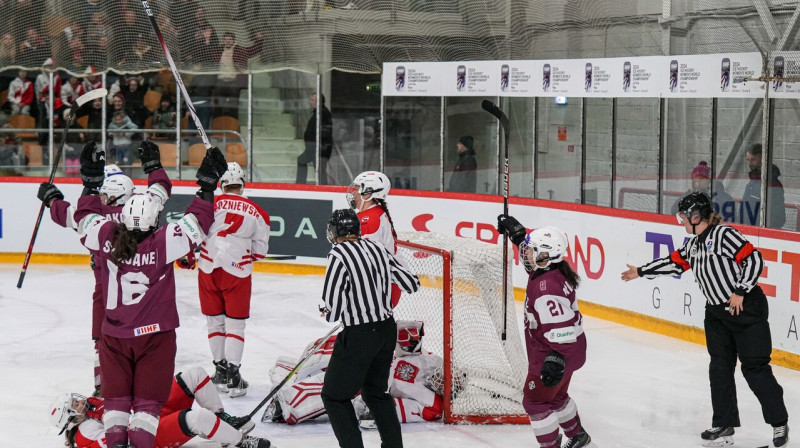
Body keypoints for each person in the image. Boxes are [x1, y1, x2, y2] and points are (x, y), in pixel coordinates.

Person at [73, 142, 228, 448]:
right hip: (154, 338)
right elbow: (199, 221)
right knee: (146, 410)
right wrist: (208, 183)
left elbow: (84, 219)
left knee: (115, 406)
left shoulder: (106, 236)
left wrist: (90, 183)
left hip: (114, 338)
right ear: (154, 221)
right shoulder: (163, 242)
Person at [620, 192, 789, 448]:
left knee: (755, 370)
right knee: (719, 369)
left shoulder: (724, 235)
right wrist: (641, 271)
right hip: (717, 315)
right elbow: (674, 263)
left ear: (697, 216)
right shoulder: (694, 244)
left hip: (746, 310)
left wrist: (741, 290)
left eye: (683, 218)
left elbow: (753, 258)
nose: (681, 223)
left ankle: (779, 424)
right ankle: (724, 425)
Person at [38, 160, 151, 396]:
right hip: (144, 291)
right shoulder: (144, 211)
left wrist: (51, 199)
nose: (102, 199)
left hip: (107, 287)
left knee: (103, 340)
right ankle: (140, 384)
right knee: (143, 339)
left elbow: (73, 216)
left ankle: (104, 387)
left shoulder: (100, 216)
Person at [319, 208, 421, 448]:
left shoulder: (338, 254)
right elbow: (411, 283)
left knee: (334, 397)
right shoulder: (378, 248)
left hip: (358, 336)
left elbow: (332, 311)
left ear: (334, 232)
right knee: (376, 393)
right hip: (386, 331)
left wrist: (325, 310)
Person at [496, 216, 593, 448]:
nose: (525, 254)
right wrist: (517, 233)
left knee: (535, 403)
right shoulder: (551, 269)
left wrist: (555, 361)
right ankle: (580, 439)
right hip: (571, 351)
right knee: (557, 397)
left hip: (555, 353)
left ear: (544, 256)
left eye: (531, 251)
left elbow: (562, 328)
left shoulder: (546, 287)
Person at [264, 320, 444, 427]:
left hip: (368, 381)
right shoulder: (432, 360)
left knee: (336, 386)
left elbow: (401, 409)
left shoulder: (433, 404)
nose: (440, 380)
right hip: (369, 358)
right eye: (442, 377)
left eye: (444, 382)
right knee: (319, 360)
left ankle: (288, 402)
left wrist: (374, 409)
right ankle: (286, 374)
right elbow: (408, 335)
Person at [193, 161, 270, 398]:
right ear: (242, 184)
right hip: (238, 271)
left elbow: (194, 232)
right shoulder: (259, 213)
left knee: (214, 322)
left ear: (222, 184)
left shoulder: (210, 204)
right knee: (235, 325)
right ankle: (234, 376)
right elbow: (260, 252)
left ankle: (220, 373)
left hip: (208, 267)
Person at [48, 366, 270, 448]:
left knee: (193, 374)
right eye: (73, 405)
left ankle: (222, 420)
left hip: (151, 410)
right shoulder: (85, 434)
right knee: (196, 418)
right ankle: (241, 442)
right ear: (71, 418)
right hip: (148, 433)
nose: (78, 401)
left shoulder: (92, 402)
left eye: (74, 399)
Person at [347, 170, 403, 306]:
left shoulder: (369, 219)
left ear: (368, 192)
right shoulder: (373, 214)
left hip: (382, 287)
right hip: (383, 285)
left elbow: (367, 261)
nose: (353, 192)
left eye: (358, 188)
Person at [669, 160, 736, 222]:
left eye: (701, 180)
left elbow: (730, 221)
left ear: (708, 181)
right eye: (695, 180)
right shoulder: (691, 195)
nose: (697, 183)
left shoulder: (724, 198)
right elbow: (674, 211)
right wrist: (690, 193)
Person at [741, 144, 786, 229]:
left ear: (762, 159)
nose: (749, 163)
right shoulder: (751, 183)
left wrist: (763, 232)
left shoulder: (773, 185)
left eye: (753, 160)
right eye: (748, 160)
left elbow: (779, 218)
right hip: (748, 231)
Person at [296, 93, 333, 185]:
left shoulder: (323, 113)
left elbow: (325, 132)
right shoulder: (318, 113)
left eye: (313, 100)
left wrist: (321, 147)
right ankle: (300, 183)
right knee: (301, 160)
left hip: (318, 148)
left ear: (318, 102)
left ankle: (324, 189)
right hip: (312, 147)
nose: (310, 102)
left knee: (320, 169)